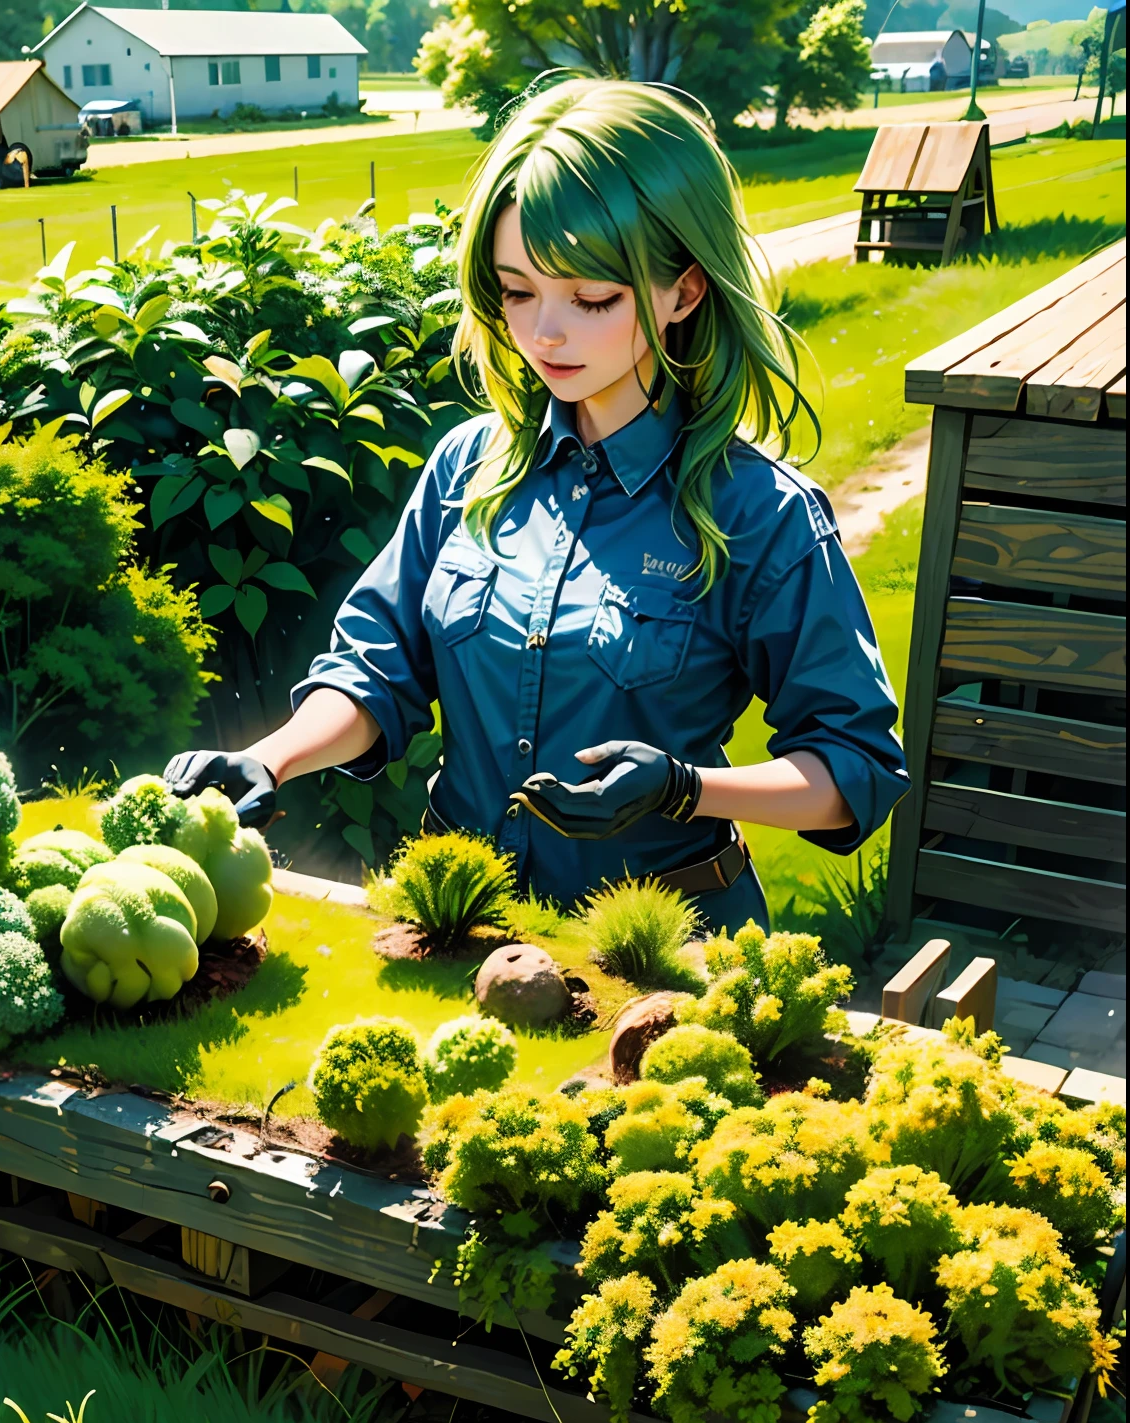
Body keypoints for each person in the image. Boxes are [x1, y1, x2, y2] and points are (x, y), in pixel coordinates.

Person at [164, 79, 909, 932]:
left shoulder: (761, 516)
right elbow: (374, 671)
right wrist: (270, 758)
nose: (545, 333)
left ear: (684, 292)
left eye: (592, 298)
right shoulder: (465, 471)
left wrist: (684, 789)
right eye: (517, 292)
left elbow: (854, 768)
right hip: (457, 928)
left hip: (667, 960)